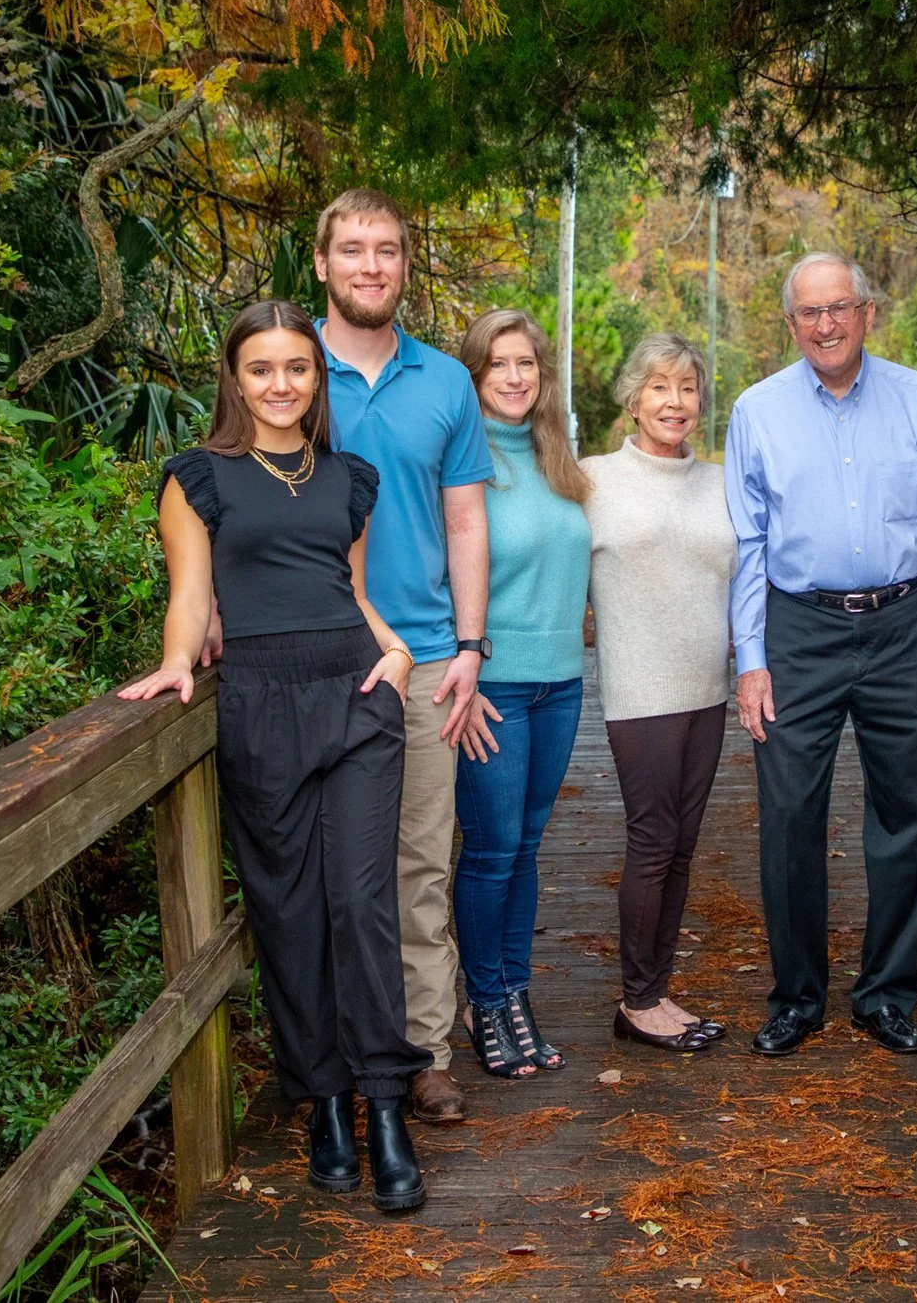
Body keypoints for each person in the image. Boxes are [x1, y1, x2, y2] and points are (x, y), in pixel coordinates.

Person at [119, 300, 429, 1211]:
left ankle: (385, 1108)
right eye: (262, 369)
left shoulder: (350, 478)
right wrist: (178, 664)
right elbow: (190, 592)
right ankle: (326, 1103)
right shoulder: (197, 479)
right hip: (258, 702)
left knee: (363, 904)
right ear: (235, 378)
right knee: (288, 913)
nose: (282, 384)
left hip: (356, 691)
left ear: (316, 377)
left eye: (299, 367)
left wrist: (399, 650)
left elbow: (352, 591)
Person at [725, 251, 917, 1059]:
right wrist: (752, 658)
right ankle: (797, 996)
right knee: (790, 815)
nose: (825, 324)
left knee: (910, 814)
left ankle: (886, 994)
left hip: (907, 625)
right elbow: (749, 543)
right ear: (790, 323)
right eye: (808, 313)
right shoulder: (756, 411)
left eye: (839, 308)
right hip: (801, 627)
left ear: (868, 311)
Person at [314, 188, 493, 1124]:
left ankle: (424, 1051)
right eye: (353, 249)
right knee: (329, 872)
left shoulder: (444, 383)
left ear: (404, 266)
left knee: (421, 866)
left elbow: (466, 517)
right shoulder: (286, 367)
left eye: (386, 250)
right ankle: (339, 1055)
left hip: (424, 661)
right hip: (315, 657)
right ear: (322, 264)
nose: (371, 265)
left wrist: (470, 644)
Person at [584, 333, 737, 1051]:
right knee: (651, 840)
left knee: (681, 845)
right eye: (659, 387)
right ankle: (637, 1001)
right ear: (634, 397)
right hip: (639, 690)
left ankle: (657, 988)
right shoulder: (592, 480)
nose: (674, 401)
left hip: (709, 686)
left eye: (686, 387)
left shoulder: (722, 480)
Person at [448, 309, 591, 1079]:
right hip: (492, 684)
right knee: (493, 848)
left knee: (527, 847)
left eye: (527, 363)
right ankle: (487, 999)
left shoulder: (555, 457)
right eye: (498, 364)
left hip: (562, 684)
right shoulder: (460, 464)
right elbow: (441, 578)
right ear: (474, 375)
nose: (514, 376)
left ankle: (515, 995)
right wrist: (459, 678)